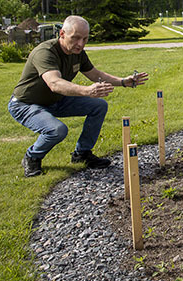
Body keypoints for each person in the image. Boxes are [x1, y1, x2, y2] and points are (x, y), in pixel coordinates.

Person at [8, 15, 148, 177]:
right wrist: (87, 91)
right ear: (62, 34)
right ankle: (32, 156)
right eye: (75, 38)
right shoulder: (45, 52)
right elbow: (54, 83)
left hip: (55, 101)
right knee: (57, 130)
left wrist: (124, 81)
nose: (80, 44)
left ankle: (81, 153)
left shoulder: (77, 53)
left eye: (85, 39)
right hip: (26, 104)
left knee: (99, 106)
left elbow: (95, 74)